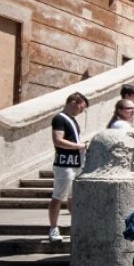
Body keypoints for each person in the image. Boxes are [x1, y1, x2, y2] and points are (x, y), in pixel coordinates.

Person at [48, 92, 88, 242]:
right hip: (64, 164)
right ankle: (53, 228)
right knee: (58, 197)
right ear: (73, 102)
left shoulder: (71, 120)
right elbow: (58, 141)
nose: (81, 111)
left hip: (75, 163)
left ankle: (77, 227)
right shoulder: (59, 118)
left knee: (73, 198)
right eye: (81, 107)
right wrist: (81, 145)